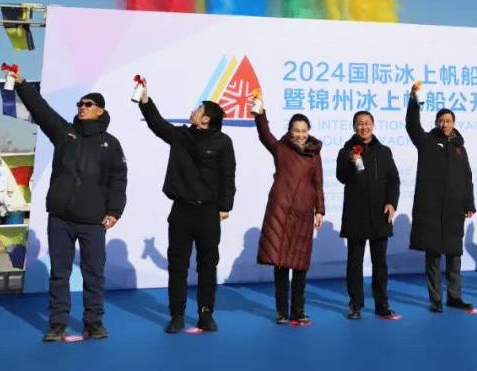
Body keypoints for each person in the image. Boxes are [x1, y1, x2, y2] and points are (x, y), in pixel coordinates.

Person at [5, 68, 127, 341]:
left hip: (93, 221)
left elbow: (119, 180)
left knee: (93, 275)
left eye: (88, 104)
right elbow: (42, 111)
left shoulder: (111, 144)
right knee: (59, 274)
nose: (82, 107)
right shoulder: (64, 133)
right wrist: (22, 84)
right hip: (60, 218)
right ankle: (57, 324)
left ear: (100, 110)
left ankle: (94, 323)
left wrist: (114, 211)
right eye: (80, 104)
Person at [138, 86, 236, 333]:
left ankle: (206, 314)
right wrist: (145, 100)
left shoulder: (223, 142)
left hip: (209, 212)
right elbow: (158, 124)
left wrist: (225, 206)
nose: (193, 111)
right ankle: (177, 316)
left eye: (198, 110)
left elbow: (228, 175)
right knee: (178, 266)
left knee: (208, 265)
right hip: (181, 209)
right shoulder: (181, 136)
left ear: (206, 119)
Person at [253, 96, 324, 324]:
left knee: (301, 265)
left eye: (304, 131)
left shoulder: (314, 154)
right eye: (296, 130)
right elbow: (264, 134)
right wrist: (260, 112)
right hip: (281, 212)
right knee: (282, 264)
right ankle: (282, 311)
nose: (300, 134)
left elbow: (318, 183)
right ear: (290, 131)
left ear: (308, 132)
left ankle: (298, 310)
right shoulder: (281, 148)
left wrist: (320, 210)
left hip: (304, 213)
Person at [405, 85, 475, 313]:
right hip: (432, 208)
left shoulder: (460, 147)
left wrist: (469, 202)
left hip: (454, 209)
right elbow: (412, 125)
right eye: (441, 120)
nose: (445, 124)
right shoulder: (426, 141)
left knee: (454, 255)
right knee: (433, 255)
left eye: (448, 120)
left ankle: (455, 296)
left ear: (454, 123)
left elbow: (467, 176)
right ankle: (435, 299)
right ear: (436, 123)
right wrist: (414, 102)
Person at [336, 110, 400, 320]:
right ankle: (355, 304)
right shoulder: (346, 151)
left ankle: (382, 304)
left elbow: (393, 179)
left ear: (373, 125)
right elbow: (341, 177)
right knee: (354, 263)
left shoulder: (384, 152)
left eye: (367, 123)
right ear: (354, 127)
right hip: (355, 215)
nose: (364, 127)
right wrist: (352, 162)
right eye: (359, 123)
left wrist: (391, 203)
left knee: (380, 263)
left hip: (380, 215)